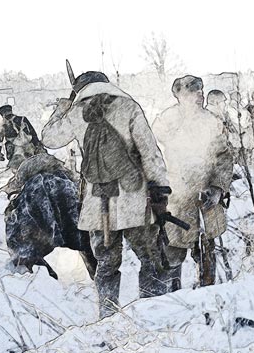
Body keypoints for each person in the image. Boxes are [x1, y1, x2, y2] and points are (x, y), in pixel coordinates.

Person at [41, 71, 170, 318]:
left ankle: (108, 317)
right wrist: (160, 189)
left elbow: (49, 139)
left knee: (106, 264)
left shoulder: (76, 112)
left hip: (98, 204)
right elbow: (149, 152)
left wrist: (63, 108)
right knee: (150, 257)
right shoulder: (129, 106)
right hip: (134, 199)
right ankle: (154, 313)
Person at [153, 76, 233, 290]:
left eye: (201, 91)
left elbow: (224, 157)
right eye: (192, 92)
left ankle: (209, 292)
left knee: (208, 247)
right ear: (179, 96)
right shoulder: (165, 122)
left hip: (206, 195)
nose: (199, 95)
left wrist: (217, 188)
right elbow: (152, 155)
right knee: (173, 249)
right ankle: (173, 295)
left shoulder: (212, 122)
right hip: (177, 196)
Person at [0, 104, 46, 169]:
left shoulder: (1, 125)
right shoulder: (22, 119)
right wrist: (37, 144)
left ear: (2, 114)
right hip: (28, 147)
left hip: (15, 150)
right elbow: (32, 133)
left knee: (18, 167)